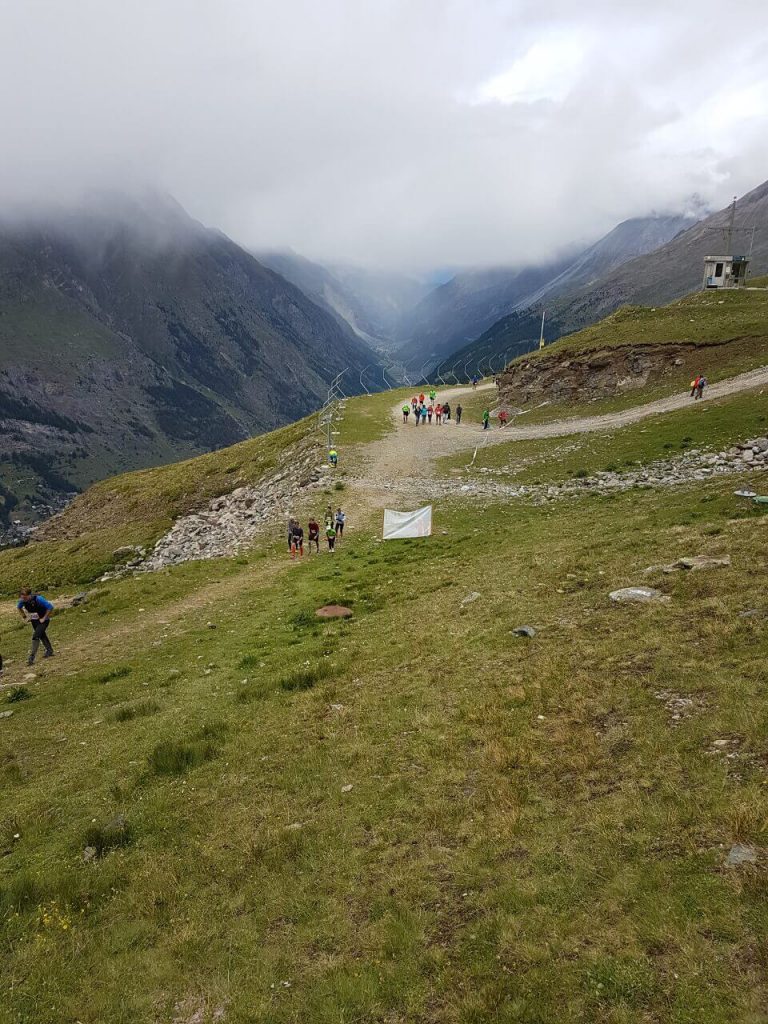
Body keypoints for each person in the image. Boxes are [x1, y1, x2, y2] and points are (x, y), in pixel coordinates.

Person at [17, 588, 54, 666]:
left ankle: (31, 657)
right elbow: (19, 607)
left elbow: (50, 607)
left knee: (36, 636)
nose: (24, 600)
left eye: (25, 597)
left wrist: (44, 618)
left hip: (43, 620)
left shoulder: (38, 599)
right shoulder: (22, 601)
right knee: (41, 635)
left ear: (29, 595)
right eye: (22, 598)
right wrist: (24, 617)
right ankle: (49, 650)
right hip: (34, 621)